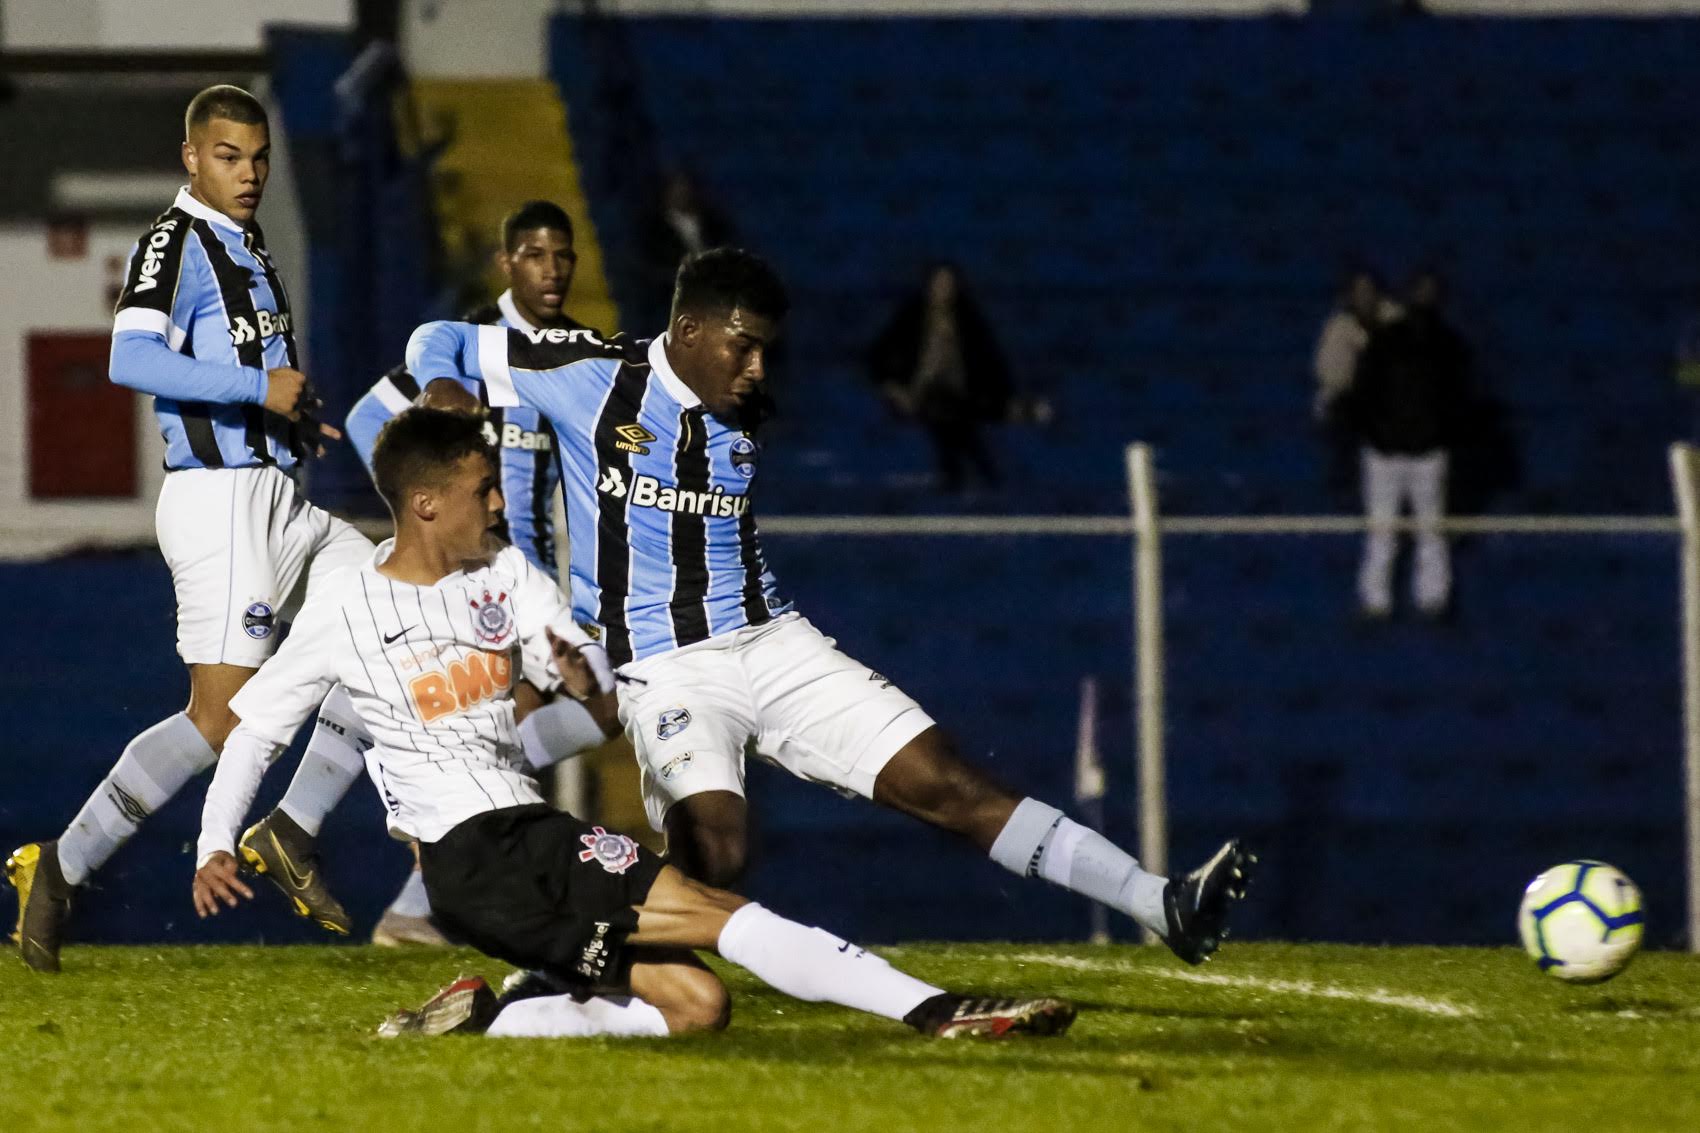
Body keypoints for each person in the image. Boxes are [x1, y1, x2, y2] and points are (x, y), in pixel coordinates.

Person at [404, 247, 1255, 961]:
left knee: (947, 781)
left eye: (766, 349)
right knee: (717, 849)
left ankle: (1162, 902)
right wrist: (445, 391)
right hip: (665, 667)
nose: (758, 367)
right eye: (742, 346)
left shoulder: (745, 401)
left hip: (776, 642)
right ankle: (568, 960)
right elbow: (433, 337)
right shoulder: (588, 375)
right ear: (689, 330)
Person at [191, 408, 1075, 1042]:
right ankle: (934, 1010)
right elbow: (259, 726)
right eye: (480, 490)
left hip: (506, 854)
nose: (496, 505)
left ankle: (486, 1019)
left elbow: (588, 673)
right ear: (425, 504)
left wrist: (584, 673)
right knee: (715, 909)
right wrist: (214, 841)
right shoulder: (343, 603)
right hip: (477, 851)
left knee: (695, 1005)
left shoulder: (501, 573)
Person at [5, 85, 371, 973]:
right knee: (218, 721)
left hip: (278, 494)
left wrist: (290, 412)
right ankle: (60, 865)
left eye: (257, 158)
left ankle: (290, 826)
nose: (246, 173)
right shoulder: (174, 243)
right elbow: (128, 358)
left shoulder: (244, 242)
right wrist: (257, 393)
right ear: (191, 157)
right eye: (227, 156)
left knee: (387, 610)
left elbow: (245, 367)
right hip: (221, 503)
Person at [240, 200, 612, 948]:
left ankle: (349, 852)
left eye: (563, 255)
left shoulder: (580, 355)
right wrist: (427, 513)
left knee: (545, 723)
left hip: (531, 582)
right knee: (494, 730)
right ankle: (418, 895)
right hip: (471, 581)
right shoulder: (467, 348)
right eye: (535, 254)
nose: (552, 269)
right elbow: (375, 419)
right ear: (507, 261)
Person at [1346, 270, 1471, 619]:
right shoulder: (1391, 340)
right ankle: (1381, 600)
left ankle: (1422, 598)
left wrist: (1434, 436)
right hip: (1395, 451)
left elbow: (1458, 399)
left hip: (1417, 452)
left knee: (1421, 529)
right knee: (1390, 529)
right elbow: (1364, 393)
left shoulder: (1447, 345)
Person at [865, 263, 1036, 492]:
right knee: (946, 410)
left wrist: (1003, 392)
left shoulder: (967, 318)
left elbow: (990, 358)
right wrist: (893, 388)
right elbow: (878, 356)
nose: (943, 289)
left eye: (948, 284)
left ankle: (959, 473)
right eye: (938, 283)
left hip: (961, 394)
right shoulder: (911, 317)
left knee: (953, 412)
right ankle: (979, 468)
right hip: (921, 391)